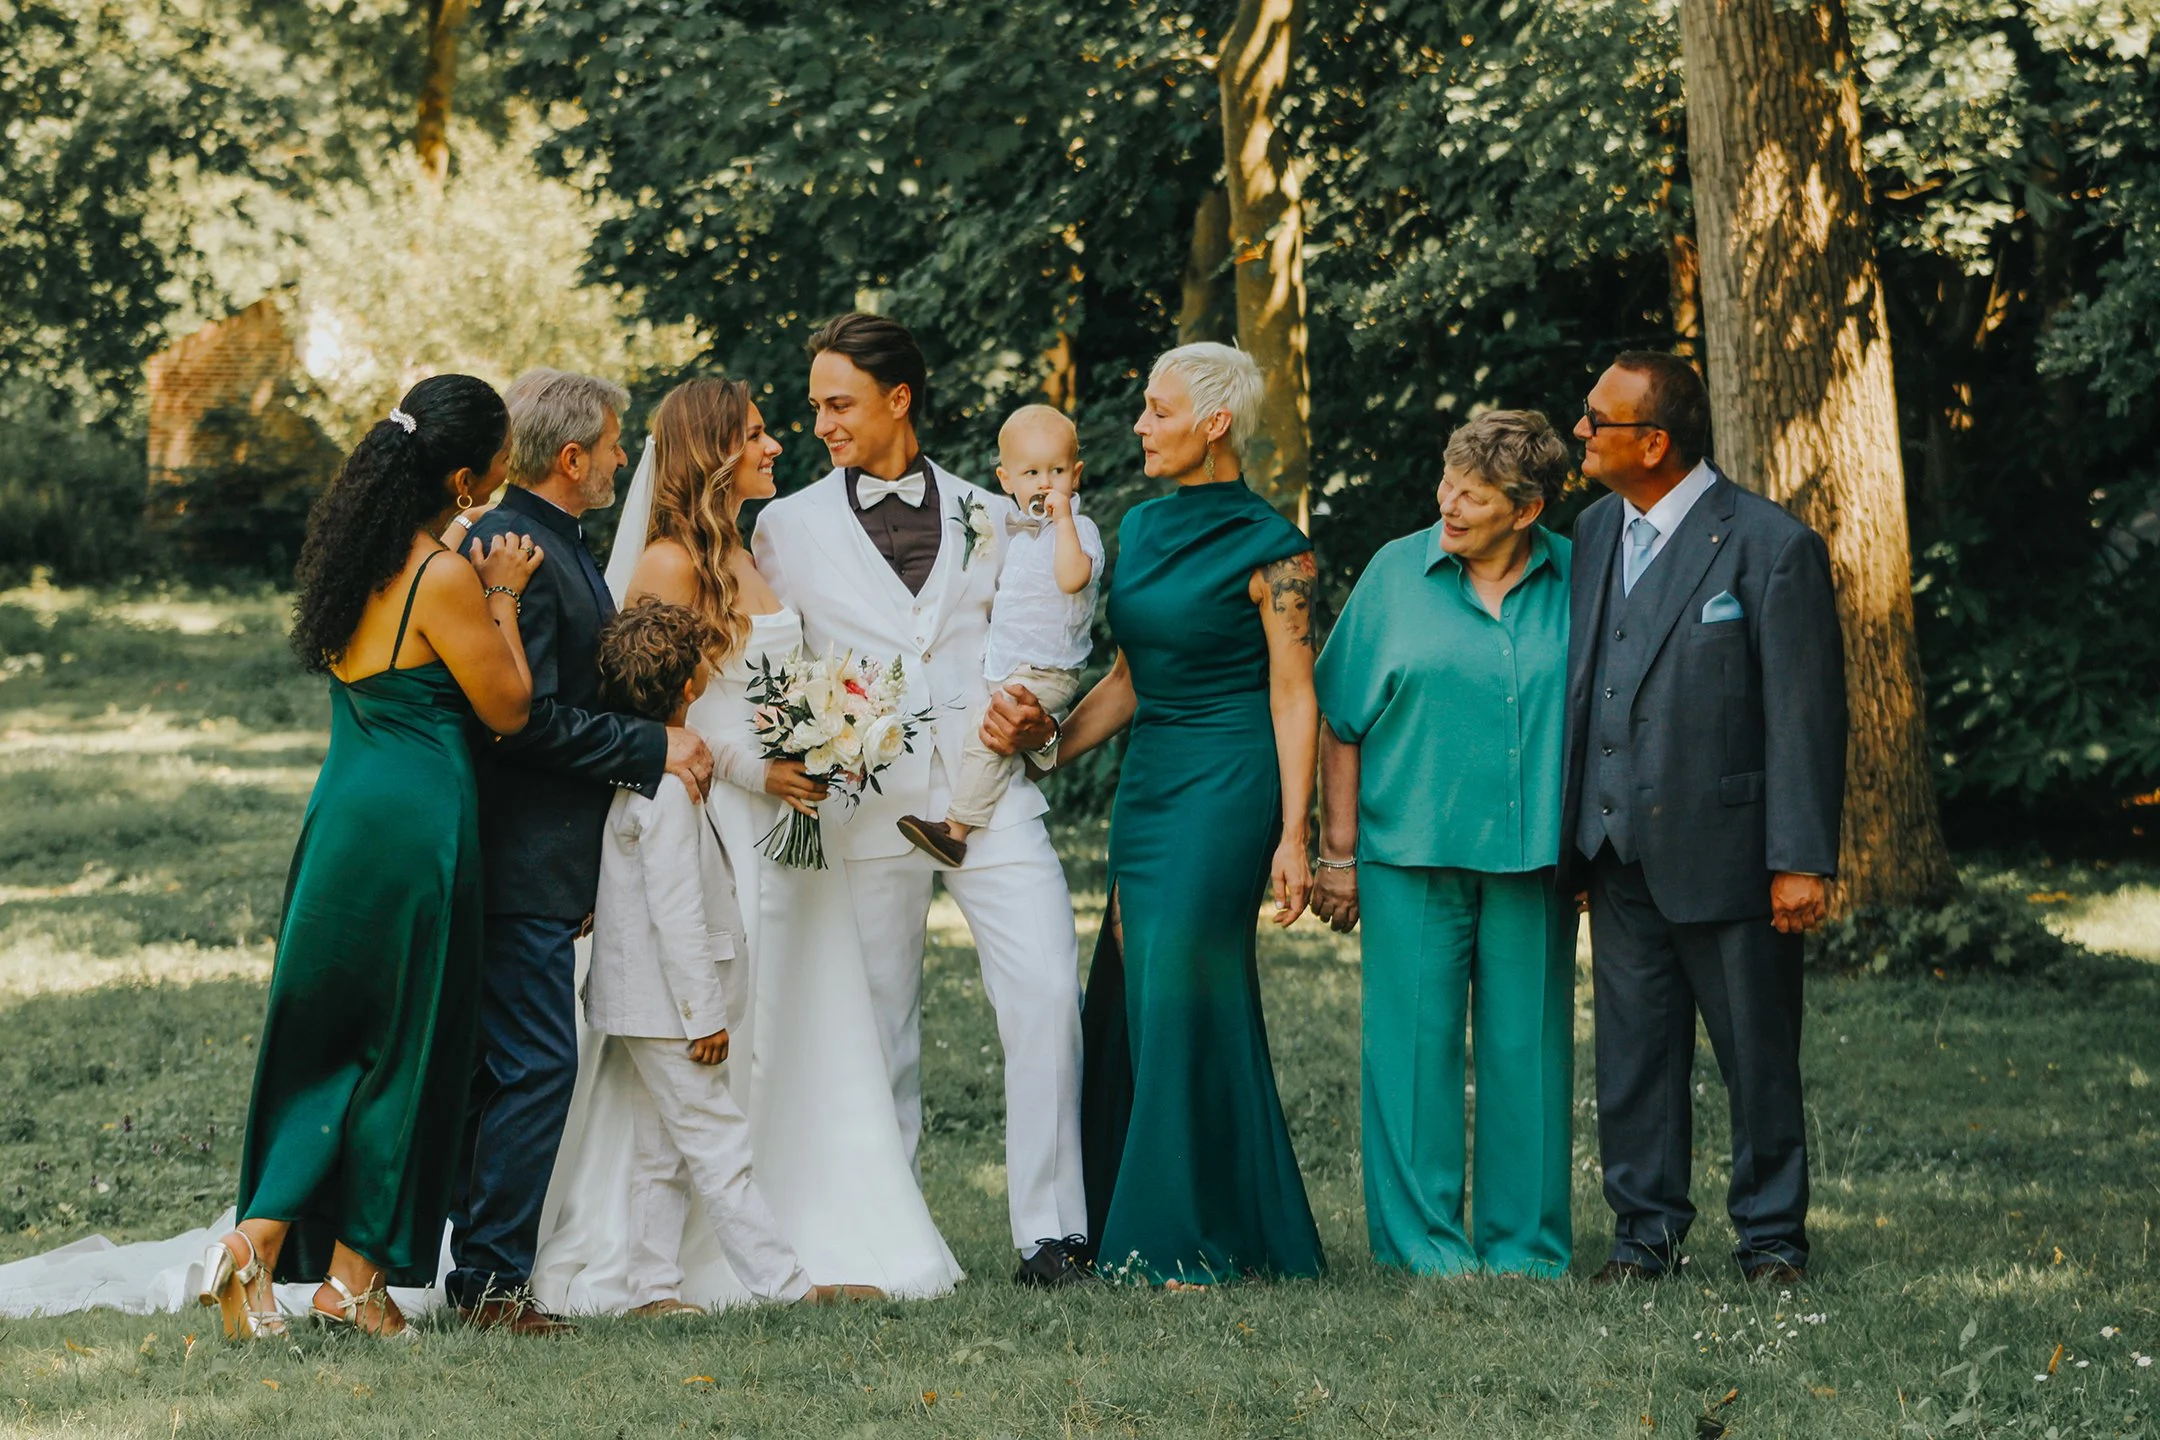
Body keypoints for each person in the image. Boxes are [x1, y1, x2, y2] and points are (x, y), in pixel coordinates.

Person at [533, 376, 959, 1306]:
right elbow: (650, 713)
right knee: (719, 1019)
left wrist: (834, 735)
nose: (775, 447)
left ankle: (812, 1208)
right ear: (715, 450)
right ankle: (678, 1261)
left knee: (796, 1015)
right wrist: (757, 771)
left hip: (792, 822)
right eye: (757, 435)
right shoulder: (668, 563)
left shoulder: (749, 547)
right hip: (716, 818)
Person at [751, 313, 1092, 1288]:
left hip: (989, 798)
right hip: (861, 807)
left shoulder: (999, 512)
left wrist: (1039, 726)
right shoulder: (785, 527)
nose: (821, 423)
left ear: (898, 400)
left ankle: (1052, 1233)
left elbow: (1041, 644)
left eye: (839, 403)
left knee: (1046, 995)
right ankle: (888, 1233)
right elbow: (770, 671)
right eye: (815, 405)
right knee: (876, 1024)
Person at [199, 374, 540, 1340]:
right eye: (500, 463)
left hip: (342, 816)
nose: (503, 480)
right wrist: (505, 595)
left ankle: (279, 1252)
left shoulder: (356, 554)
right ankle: (338, 1277)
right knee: (408, 1052)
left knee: (329, 1047)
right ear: (465, 479)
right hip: (417, 829)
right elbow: (509, 708)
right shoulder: (445, 577)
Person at [1560, 351, 1846, 1285]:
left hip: (1732, 854)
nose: (1579, 430)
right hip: (1616, 849)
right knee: (1633, 1059)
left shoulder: (1771, 545)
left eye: (1597, 419)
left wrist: (1800, 858)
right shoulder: (1593, 531)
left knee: (1757, 1057)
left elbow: (1805, 715)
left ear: (1654, 443)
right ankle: (1644, 1238)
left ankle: (1771, 1241)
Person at [1047, 341, 1325, 1286]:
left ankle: (1179, 1236)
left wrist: (1293, 835)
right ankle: (1138, 1211)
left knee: (1179, 984)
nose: (1139, 425)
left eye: (1158, 411)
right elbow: (1129, 678)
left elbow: (1294, 694)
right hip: (1153, 779)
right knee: (1139, 982)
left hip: (1229, 781)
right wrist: (1040, 753)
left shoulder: (1278, 549)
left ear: (1214, 424)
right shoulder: (1142, 526)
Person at [447, 369, 718, 1336]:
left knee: (508, 1068)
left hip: (549, 857)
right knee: (533, 1068)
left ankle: (474, 1269)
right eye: (609, 445)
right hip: (515, 856)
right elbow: (520, 721)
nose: (620, 457)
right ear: (571, 458)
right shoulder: (510, 550)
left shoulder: (554, 542)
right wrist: (653, 747)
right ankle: (489, 1284)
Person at [1310, 411, 1577, 1278]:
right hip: (1410, 854)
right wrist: (1337, 856)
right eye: (1448, 483)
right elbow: (1341, 720)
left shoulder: (1581, 577)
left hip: (1537, 859)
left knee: (1529, 1056)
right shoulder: (1396, 572)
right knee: (1412, 1056)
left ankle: (1525, 1248)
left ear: (1527, 510)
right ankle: (1422, 1245)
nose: (1450, 505)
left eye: (1475, 495)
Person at [587, 597, 881, 1313]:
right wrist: (703, 1016)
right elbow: (677, 915)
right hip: (670, 1008)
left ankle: (652, 1290)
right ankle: (786, 1287)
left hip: (644, 1002)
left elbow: (717, 752)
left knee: (662, 1150)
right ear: (691, 685)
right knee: (719, 1145)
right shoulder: (664, 791)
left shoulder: (653, 762)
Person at [898, 403, 1103, 866]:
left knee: (988, 733)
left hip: (1047, 669)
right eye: (1031, 473)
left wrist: (1064, 521)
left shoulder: (1079, 530)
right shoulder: (1021, 535)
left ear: (1076, 475)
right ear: (1006, 480)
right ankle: (991, 790)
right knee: (984, 731)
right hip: (1012, 663)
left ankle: (955, 830)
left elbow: (1072, 577)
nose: (1045, 483)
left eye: (1057, 471)